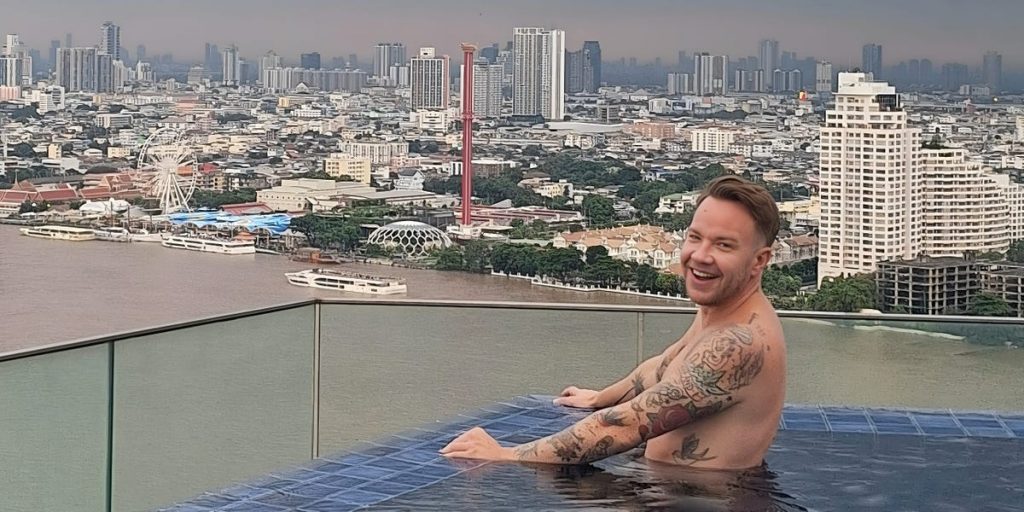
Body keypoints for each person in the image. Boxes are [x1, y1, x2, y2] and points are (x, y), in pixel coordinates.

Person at [441, 175, 787, 469]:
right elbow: (665, 366)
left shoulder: (738, 343)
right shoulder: (721, 311)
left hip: (709, 498)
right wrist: (600, 398)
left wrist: (505, 455)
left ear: (759, 261)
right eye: (695, 237)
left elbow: (624, 427)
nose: (700, 255)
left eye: (723, 245)